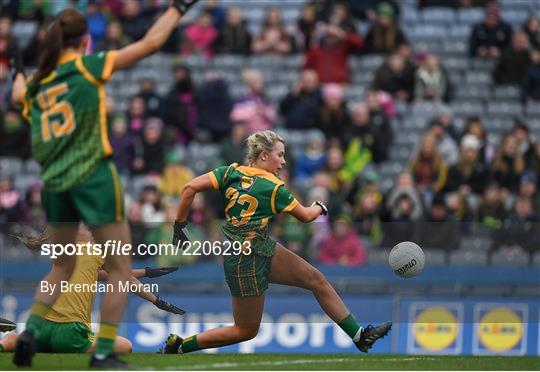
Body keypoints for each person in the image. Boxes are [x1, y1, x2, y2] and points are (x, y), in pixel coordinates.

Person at [8, 0, 200, 367]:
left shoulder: (40, 83)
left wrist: (18, 69)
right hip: (92, 175)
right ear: (83, 42)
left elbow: (17, 96)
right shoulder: (86, 66)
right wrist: (176, 8)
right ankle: (104, 351)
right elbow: (148, 45)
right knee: (119, 266)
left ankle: (31, 329)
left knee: (61, 268)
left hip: (54, 181)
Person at [162, 130, 391, 355]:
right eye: (280, 155)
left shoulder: (229, 172)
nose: (283, 161)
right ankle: (181, 346)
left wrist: (180, 226)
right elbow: (306, 216)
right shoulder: (273, 187)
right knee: (245, 330)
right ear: (263, 155)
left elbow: (188, 188)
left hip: (249, 248)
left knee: (316, 280)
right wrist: (320, 205)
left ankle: (359, 335)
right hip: (248, 257)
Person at [0, 225, 183, 354]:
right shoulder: (95, 250)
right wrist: (156, 300)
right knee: (125, 345)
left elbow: (101, 274)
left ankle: (6, 342)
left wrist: (147, 272)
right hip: (71, 332)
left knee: (12, 340)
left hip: (43, 327)